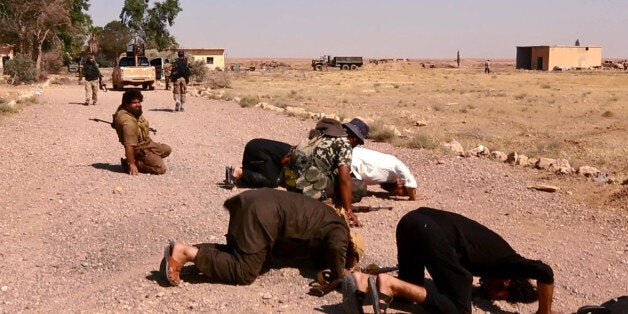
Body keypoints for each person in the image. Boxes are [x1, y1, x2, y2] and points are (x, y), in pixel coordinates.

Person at [343, 207, 558, 314]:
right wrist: (544, 312)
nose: (486, 289)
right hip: (429, 232)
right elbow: (545, 271)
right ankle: (389, 283)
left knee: (412, 291)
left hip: (411, 222)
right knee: (461, 310)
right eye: (497, 295)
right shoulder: (507, 262)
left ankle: (359, 281)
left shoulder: (492, 254)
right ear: (507, 282)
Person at [161, 188, 364, 286]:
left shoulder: (325, 218)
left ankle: (183, 251)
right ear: (351, 246)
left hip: (254, 203)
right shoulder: (340, 230)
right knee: (246, 272)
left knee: (251, 258)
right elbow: (337, 246)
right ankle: (187, 252)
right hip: (262, 213)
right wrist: (341, 272)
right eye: (351, 257)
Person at [282, 117, 369, 227]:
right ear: (355, 139)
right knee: (353, 186)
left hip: (289, 180)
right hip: (303, 185)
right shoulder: (345, 143)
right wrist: (348, 210)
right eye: (359, 143)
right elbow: (344, 179)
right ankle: (322, 203)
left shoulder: (323, 132)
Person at [112, 89, 172, 175]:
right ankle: (134, 162)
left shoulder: (132, 110)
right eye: (134, 103)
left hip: (148, 143)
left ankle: (148, 158)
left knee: (167, 149)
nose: (138, 105)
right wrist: (132, 164)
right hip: (139, 149)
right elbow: (129, 145)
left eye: (139, 102)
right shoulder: (128, 122)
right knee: (160, 169)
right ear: (127, 104)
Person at [351, 147, 423, 200]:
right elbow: (409, 180)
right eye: (403, 193)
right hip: (353, 157)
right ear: (400, 184)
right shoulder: (395, 163)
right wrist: (412, 197)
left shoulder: (383, 178)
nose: (397, 195)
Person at [226, 138, 292, 188]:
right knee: (272, 181)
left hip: (255, 147)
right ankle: (240, 172)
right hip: (258, 152)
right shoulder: (297, 161)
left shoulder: (295, 152)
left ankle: (238, 178)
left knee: (273, 178)